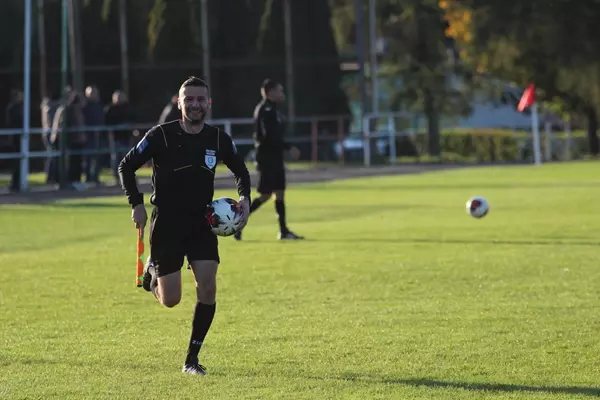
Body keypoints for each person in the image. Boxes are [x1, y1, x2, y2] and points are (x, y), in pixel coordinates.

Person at [118, 76, 251, 375]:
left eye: (200, 99)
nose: (194, 104)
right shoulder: (160, 135)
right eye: (188, 99)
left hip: (202, 222)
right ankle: (152, 272)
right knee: (171, 300)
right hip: (167, 222)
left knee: (208, 287)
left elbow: (241, 170)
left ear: (209, 103)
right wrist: (136, 204)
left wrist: (244, 198)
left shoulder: (218, 139)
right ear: (179, 103)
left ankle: (192, 359)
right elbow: (126, 165)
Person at [234, 79, 303, 241]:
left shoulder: (273, 109)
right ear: (270, 92)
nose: (282, 94)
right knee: (265, 194)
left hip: (275, 158)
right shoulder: (265, 110)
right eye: (279, 91)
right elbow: (270, 136)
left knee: (279, 193)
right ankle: (238, 222)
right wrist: (289, 147)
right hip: (267, 159)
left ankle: (283, 231)